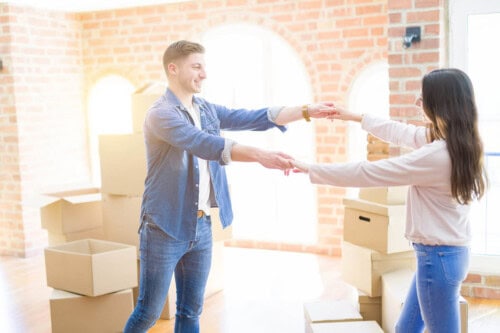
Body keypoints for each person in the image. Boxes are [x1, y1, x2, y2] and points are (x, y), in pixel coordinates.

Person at [123, 40, 335, 333]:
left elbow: (249, 117)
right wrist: (261, 155)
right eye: (196, 66)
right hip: (163, 227)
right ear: (173, 69)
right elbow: (203, 144)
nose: (204, 74)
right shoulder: (160, 114)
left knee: (190, 311)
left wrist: (306, 110)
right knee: (148, 312)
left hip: (200, 227)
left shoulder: (205, 109)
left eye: (204, 67)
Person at [291, 68, 487, 333]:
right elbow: (400, 132)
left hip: (437, 259)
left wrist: (310, 169)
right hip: (446, 255)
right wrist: (354, 117)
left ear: (441, 104)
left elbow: (369, 172)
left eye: (423, 97)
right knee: (405, 329)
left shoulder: (437, 156)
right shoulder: (460, 143)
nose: (418, 102)